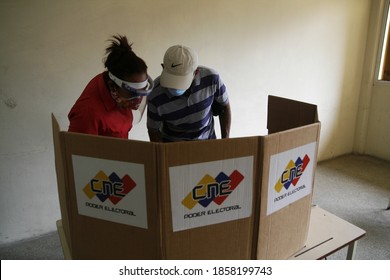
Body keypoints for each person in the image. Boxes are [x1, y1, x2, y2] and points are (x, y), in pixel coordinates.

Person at [68, 35, 153, 138]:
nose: (138, 101)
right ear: (112, 86)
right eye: (132, 93)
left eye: (142, 92)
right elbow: (78, 152)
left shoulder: (114, 89)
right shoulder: (88, 114)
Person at [147, 45, 231, 142]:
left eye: (181, 81)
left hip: (207, 142)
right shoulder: (155, 93)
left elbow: (225, 106)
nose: (176, 86)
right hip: (172, 146)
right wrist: (162, 155)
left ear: (196, 73)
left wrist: (225, 142)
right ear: (163, 67)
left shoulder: (211, 79)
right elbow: (153, 130)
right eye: (172, 79)